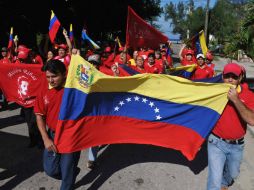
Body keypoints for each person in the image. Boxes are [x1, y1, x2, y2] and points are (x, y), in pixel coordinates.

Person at [34, 59, 81, 190]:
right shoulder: (43, 91)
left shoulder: (74, 89)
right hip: (52, 135)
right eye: (48, 77)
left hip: (71, 136)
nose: (51, 80)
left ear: (64, 74)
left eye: (54, 76)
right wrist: (45, 138)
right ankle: (71, 174)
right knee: (50, 170)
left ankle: (68, 178)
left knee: (66, 176)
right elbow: (39, 116)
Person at [207, 63, 254, 190]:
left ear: (239, 78)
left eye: (234, 76)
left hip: (237, 145)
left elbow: (252, 120)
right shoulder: (215, 91)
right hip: (215, 142)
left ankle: (225, 182)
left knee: (233, 174)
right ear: (222, 76)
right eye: (227, 76)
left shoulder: (248, 95)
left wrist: (236, 100)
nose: (230, 79)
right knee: (214, 181)